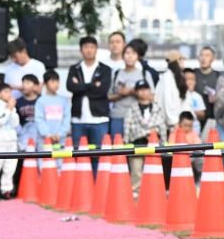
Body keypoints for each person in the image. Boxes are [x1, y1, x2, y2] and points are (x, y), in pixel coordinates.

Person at [66, 36, 112, 168]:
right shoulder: (74, 69)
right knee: (77, 157)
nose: (89, 50)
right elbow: (70, 87)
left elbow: (102, 90)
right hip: (78, 121)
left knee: (98, 157)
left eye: (92, 47)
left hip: (99, 120)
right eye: (86, 47)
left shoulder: (104, 69)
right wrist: (92, 85)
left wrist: (81, 86)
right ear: (81, 50)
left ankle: (98, 186)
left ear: (96, 49)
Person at [124, 80, 168, 191]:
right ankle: (135, 191)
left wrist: (163, 141)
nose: (143, 92)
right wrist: (126, 141)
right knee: (136, 169)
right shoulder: (132, 108)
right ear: (136, 92)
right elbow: (127, 125)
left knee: (154, 168)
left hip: (153, 143)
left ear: (149, 91)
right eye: (140, 90)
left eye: (145, 89)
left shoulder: (157, 108)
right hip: (137, 142)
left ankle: (154, 191)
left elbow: (162, 125)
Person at [108, 43, 154, 140]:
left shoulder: (144, 74)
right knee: (117, 148)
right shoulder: (116, 74)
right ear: (122, 56)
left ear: (137, 56)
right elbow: (108, 97)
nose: (130, 56)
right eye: (127, 53)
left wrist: (134, 92)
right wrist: (120, 95)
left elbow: (152, 97)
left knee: (139, 149)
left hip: (139, 117)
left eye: (133, 53)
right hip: (118, 116)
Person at [35, 70, 70, 149]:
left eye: (57, 81)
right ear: (45, 83)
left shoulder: (64, 100)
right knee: (46, 160)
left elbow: (66, 118)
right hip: (45, 140)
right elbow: (39, 119)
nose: (56, 84)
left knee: (61, 160)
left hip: (61, 140)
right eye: (53, 81)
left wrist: (60, 134)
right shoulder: (40, 101)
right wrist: (48, 134)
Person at [154, 54, 189, 133]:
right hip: (169, 126)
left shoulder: (177, 77)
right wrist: (173, 121)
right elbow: (167, 102)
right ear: (177, 61)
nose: (183, 63)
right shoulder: (167, 78)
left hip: (177, 123)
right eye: (181, 60)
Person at [194, 46, 221, 137]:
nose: (204, 58)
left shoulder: (219, 76)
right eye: (201, 55)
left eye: (207, 55)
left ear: (213, 59)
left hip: (212, 119)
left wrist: (216, 98)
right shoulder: (192, 74)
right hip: (194, 119)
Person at [15, 74, 41, 151]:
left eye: (28, 83)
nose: (24, 86)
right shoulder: (17, 102)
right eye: (23, 83)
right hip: (23, 137)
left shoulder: (42, 100)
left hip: (40, 137)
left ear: (36, 86)